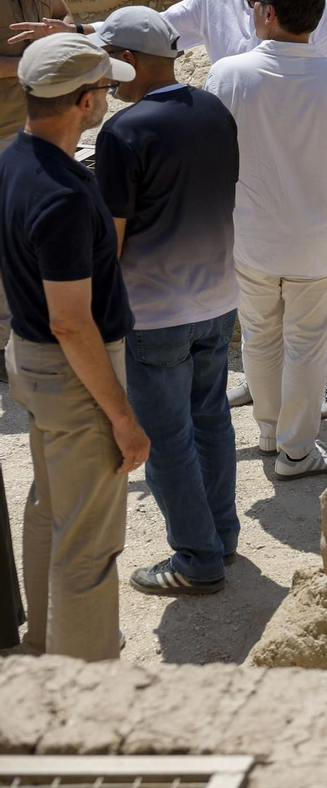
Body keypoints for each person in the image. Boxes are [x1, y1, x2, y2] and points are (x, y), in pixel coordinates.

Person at [9, 0, 327, 420]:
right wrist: (78, 32)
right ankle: (268, 385)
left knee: (321, 269)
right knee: (255, 276)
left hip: (300, 152)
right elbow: (154, 30)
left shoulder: (307, 3)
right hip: (238, 158)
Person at [0, 33, 147, 659]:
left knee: (49, 508)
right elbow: (71, 321)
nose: (111, 98)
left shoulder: (12, 158)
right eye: (108, 89)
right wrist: (121, 417)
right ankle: (86, 699)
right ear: (85, 102)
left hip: (29, 362)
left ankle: (45, 648)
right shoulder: (62, 195)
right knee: (90, 544)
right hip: (72, 372)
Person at [204, 0, 327, 480]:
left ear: (270, 13)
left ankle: (267, 429)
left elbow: (212, 162)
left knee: (259, 337)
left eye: (255, 3)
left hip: (251, 238)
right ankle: (297, 450)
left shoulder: (227, 77)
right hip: (319, 243)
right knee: (307, 344)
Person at [92, 7, 240, 595]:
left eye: (110, 67)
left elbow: (115, 237)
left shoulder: (123, 132)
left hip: (154, 314)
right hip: (218, 299)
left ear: (129, 61)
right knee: (212, 420)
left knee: (167, 436)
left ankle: (197, 558)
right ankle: (221, 536)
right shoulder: (213, 109)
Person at [1, 0, 82, 372]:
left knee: (34, 236)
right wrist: (32, 66)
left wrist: (63, 32)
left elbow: (63, 13)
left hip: (42, 123)